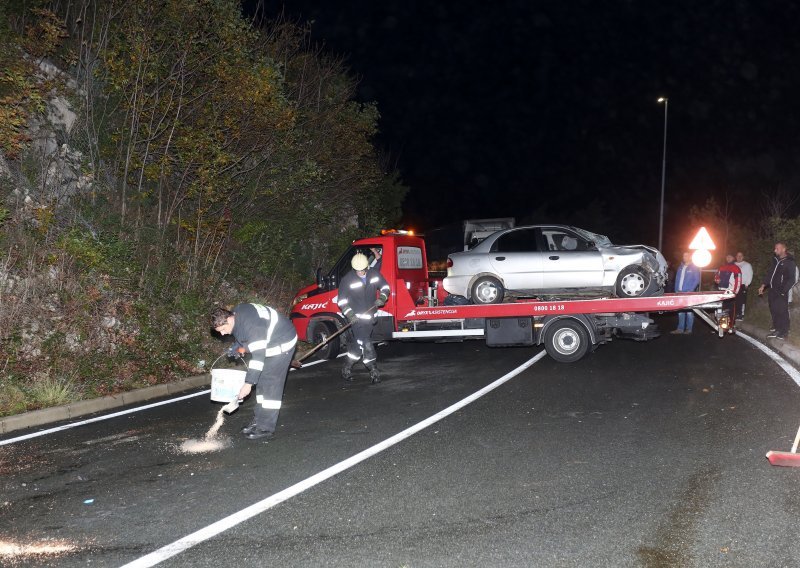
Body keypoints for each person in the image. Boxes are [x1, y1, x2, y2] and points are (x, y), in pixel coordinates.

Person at [211, 303, 297, 440]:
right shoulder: (236, 314)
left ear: (229, 319)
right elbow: (243, 334)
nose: (222, 333)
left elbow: (258, 358)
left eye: (223, 329)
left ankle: (265, 427)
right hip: (268, 339)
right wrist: (237, 347)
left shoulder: (253, 327)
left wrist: (248, 383)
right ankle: (259, 420)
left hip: (282, 342)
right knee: (261, 382)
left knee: (270, 384)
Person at [337, 252, 390, 383]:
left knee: (358, 345)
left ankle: (347, 367)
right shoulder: (347, 279)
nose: (360, 273)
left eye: (362, 270)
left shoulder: (374, 274)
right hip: (356, 319)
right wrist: (350, 314)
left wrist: (382, 298)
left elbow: (385, 287)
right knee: (366, 343)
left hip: (370, 318)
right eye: (357, 271)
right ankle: (373, 370)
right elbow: (342, 301)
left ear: (367, 267)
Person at [758, 241, 798, 340]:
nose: (775, 250)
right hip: (772, 290)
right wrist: (763, 285)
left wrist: (783, 291)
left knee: (782, 311)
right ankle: (777, 329)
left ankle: (784, 332)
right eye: (775, 248)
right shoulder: (775, 260)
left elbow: (792, 279)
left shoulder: (789, 262)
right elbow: (770, 274)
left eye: (777, 248)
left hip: (781, 291)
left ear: (783, 249)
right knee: (774, 310)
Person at [671, 252, 701, 334]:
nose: (684, 257)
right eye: (683, 255)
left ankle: (689, 329)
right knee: (680, 311)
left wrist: (691, 290)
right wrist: (676, 290)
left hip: (688, 292)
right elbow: (677, 279)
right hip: (679, 292)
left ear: (690, 257)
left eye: (686, 255)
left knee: (689, 311)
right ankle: (680, 329)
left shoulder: (694, 267)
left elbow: (697, 280)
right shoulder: (680, 267)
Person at [714, 253, 743, 327]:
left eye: (730, 257)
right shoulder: (721, 267)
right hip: (721, 291)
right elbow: (716, 276)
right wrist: (717, 280)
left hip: (730, 292)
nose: (728, 258)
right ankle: (723, 325)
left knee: (731, 310)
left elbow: (738, 281)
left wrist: (735, 292)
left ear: (733, 258)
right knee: (722, 309)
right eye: (727, 257)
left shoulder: (736, 268)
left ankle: (731, 325)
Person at [734, 251, 753, 320]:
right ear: (736, 257)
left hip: (742, 285)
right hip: (734, 285)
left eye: (741, 255)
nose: (739, 257)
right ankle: (735, 314)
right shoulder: (733, 264)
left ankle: (741, 314)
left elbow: (750, 275)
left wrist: (747, 283)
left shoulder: (747, 265)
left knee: (742, 300)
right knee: (734, 300)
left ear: (743, 257)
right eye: (738, 256)